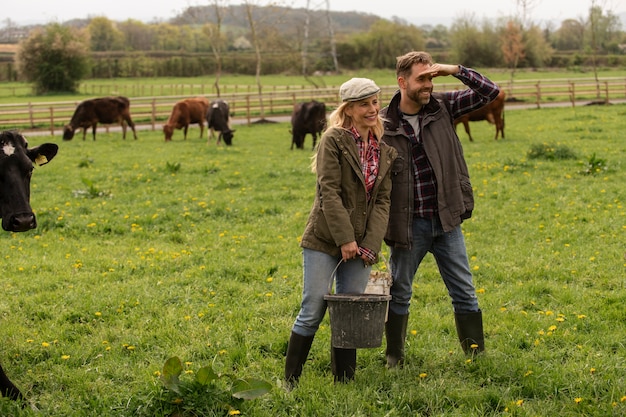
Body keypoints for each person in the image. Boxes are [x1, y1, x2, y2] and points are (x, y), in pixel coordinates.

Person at [380, 51, 500, 367]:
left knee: (464, 291)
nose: (428, 85)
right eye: (422, 79)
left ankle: (476, 356)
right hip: (407, 225)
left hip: (446, 221)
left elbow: (490, 92)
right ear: (402, 82)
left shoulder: (444, 108)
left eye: (431, 78)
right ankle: (394, 356)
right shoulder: (382, 123)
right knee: (400, 293)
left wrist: (456, 69)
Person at [284, 78, 397, 386]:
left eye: (375, 102)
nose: (373, 109)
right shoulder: (334, 139)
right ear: (348, 109)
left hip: (362, 244)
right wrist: (345, 239)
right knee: (314, 307)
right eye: (364, 104)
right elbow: (328, 192)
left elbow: (383, 201)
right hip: (324, 238)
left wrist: (370, 244)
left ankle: (343, 382)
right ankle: (290, 380)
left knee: (349, 309)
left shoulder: (384, 150)